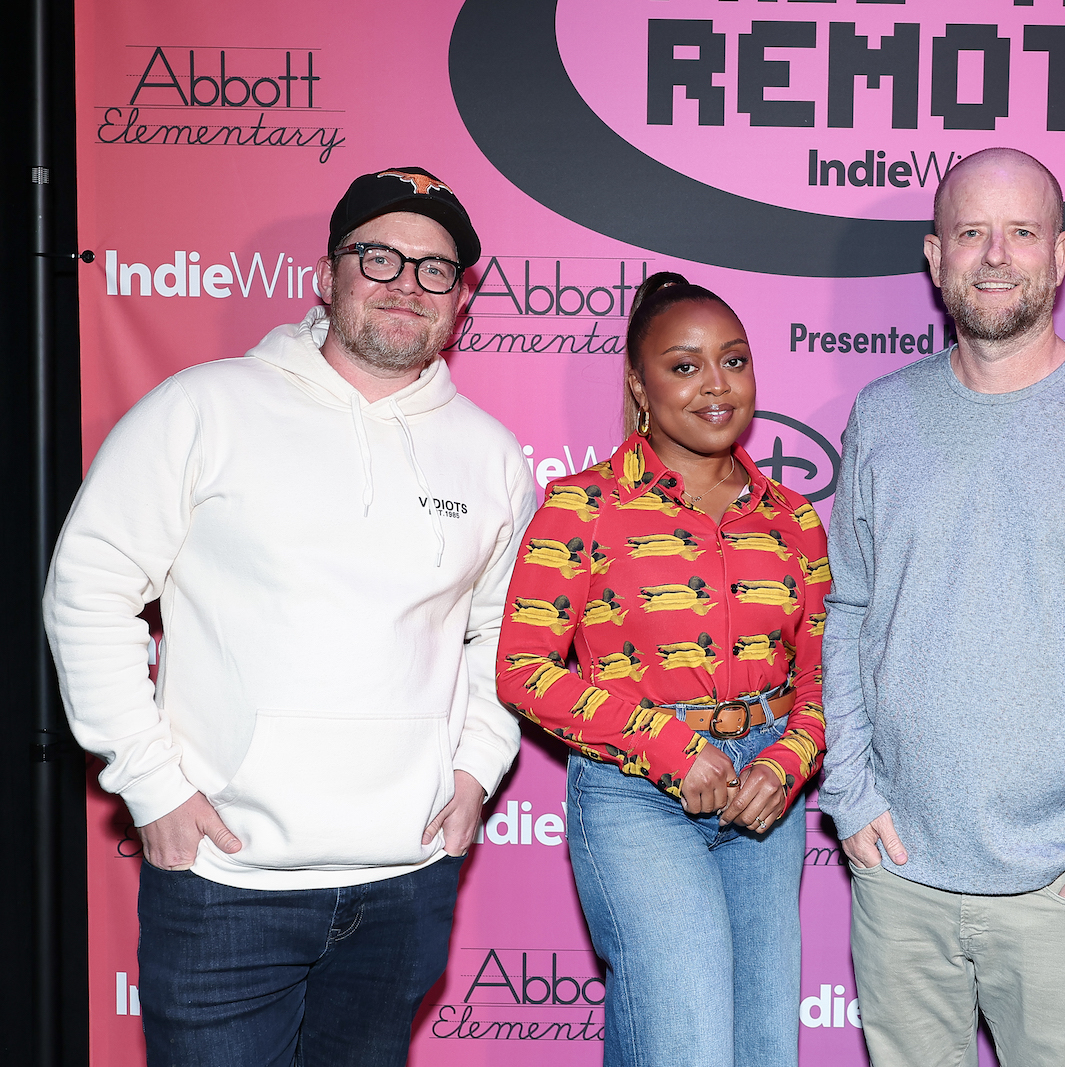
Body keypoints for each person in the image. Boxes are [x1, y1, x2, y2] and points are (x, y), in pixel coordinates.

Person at [43, 167, 535, 1066]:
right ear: (326, 273)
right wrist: (151, 784)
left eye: (436, 269)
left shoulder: (492, 456)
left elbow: (507, 631)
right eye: (377, 256)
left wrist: (475, 768)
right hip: (225, 886)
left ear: (462, 300)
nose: (405, 283)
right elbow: (89, 587)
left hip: (405, 884)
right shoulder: (204, 408)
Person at [819, 147, 1065, 1067]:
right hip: (900, 876)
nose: (995, 255)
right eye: (970, 233)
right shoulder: (882, 414)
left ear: (1062, 254)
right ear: (934, 256)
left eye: (1022, 232)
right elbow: (846, 612)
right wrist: (852, 792)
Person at [495, 271, 829, 1067]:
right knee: (685, 1044)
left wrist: (787, 760)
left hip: (764, 802)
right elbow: (524, 669)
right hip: (636, 794)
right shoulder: (581, 506)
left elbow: (821, 679)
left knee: (761, 1051)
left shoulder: (794, 519)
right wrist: (667, 744)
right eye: (684, 365)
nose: (715, 385)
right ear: (639, 386)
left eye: (734, 360)